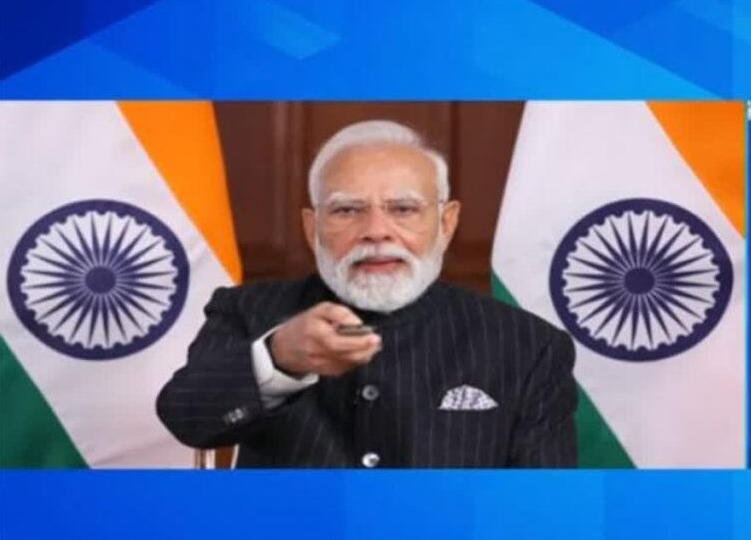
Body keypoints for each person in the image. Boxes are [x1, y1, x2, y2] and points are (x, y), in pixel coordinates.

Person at [156, 120, 578, 468]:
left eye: (404, 209)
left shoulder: (528, 345)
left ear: (447, 223)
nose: (376, 231)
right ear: (312, 227)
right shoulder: (247, 310)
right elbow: (188, 418)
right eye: (347, 210)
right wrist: (280, 357)